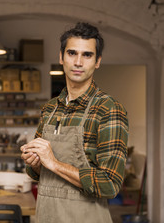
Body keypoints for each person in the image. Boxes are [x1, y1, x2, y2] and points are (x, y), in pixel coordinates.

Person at [20, 22, 129, 222]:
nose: (78, 62)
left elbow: (110, 184)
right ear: (61, 57)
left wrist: (53, 163)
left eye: (87, 55)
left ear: (97, 61)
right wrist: (34, 163)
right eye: (72, 53)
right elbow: (36, 174)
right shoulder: (50, 109)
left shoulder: (108, 109)